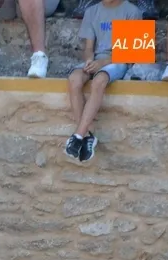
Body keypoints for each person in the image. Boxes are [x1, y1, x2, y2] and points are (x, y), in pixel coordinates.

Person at [63, 0, 142, 162]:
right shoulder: (92, 11)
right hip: (97, 60)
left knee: (99, 81)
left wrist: (102, 63)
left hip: (119, 61)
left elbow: (132, 53)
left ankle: (78, 135)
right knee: (74, 79)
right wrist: (89, 60)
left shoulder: (132, 11)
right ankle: (87, 136)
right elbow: (89, 49)